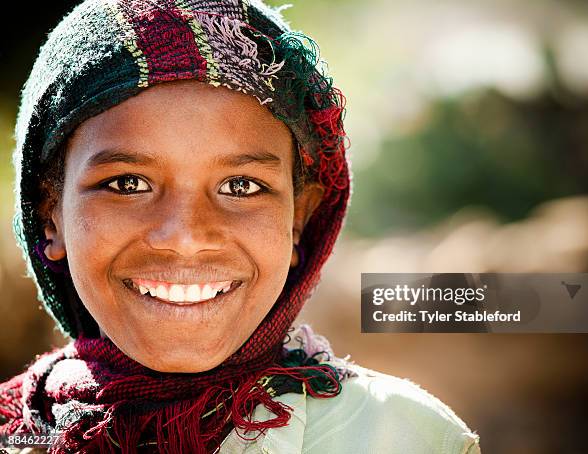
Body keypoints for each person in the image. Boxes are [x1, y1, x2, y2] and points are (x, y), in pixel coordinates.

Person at [0, 0, 481, 452]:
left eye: (241, 186)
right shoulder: (15, 433)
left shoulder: (402, 436)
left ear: (299, 217)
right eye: (128, 183)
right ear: (49, 214)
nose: (186, 237)